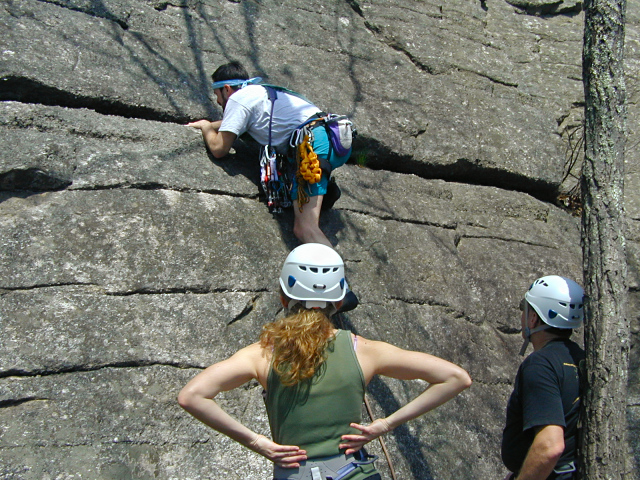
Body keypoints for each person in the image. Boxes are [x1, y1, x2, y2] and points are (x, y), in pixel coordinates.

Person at [178, 243, 472, 480]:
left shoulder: (261, 354)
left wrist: (258, 443)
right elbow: (456, 378)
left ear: (284, 297)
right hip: (355, 472)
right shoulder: (365, 351)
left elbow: (192, 396)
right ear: (339, 300)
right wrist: (385, 424)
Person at [187, 61, 351, 248]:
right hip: (329, 138)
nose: (218, 102)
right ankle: (321, 189)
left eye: (217, 95)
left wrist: (206, 127)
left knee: (305, 229)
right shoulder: (260, 93)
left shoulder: (238, 98)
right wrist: (212, 123)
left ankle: (335, 277)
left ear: (226, 89)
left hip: (311, 148)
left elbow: (219, 149)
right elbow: (233, 122)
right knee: (305, 221)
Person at [501, 275, 586, 480]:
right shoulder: (582, 359)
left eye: (525, 307)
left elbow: (550, 445)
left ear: (533, 318)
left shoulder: (540, 365)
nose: (522, 315)